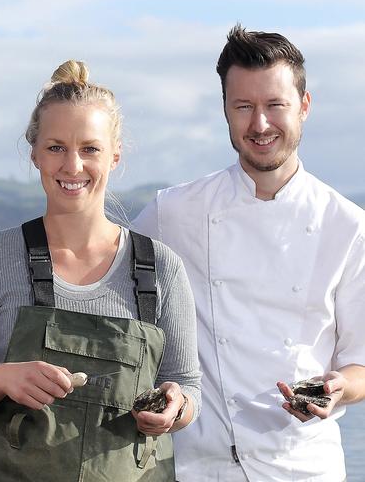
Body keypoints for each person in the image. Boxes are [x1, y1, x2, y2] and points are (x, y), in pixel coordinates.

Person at [0, 60, 201, 481]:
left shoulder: (160, 268)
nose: (72, 166)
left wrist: (174, 409)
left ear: (114, 156)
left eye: (89, 148)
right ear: (34, 152)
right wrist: (2, 379)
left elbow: (186, 386)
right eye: (56, 147)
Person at [133, 25, 365, 481]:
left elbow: (361, 364)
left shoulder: (349, 226)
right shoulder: (173, 212)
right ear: (225, 111)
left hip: (304, 466)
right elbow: (100, 278)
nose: (260, 124)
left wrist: (339, 388)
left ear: (304, 106)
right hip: (195, 465)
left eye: (275, 105)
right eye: (244, 107)